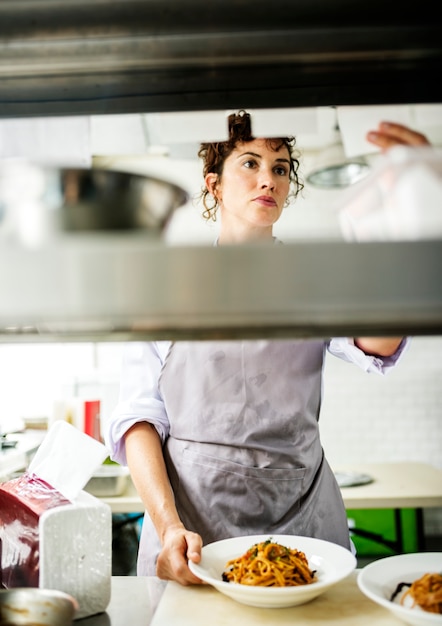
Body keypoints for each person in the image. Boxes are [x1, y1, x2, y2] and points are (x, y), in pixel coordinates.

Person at [105, 111, 430, 585]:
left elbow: (377, 343)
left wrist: (409, 225)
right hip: (195, 522)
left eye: (280, 168)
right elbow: (137, 418)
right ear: (213, 184)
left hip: (303, 518)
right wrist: (169, 526)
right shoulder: (167, 286)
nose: (268, 180)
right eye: (251, 163)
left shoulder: (311, 279)